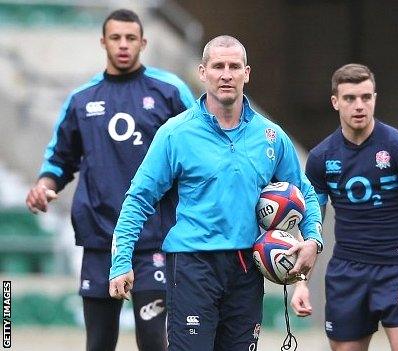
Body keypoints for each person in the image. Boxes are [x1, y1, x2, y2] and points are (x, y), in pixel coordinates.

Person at [108, 35, 323, 351]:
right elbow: (139, 198)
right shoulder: (175, 133)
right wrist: (121, 260)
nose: (226, 74)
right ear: (202, 72)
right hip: (193, 265)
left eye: (234, 66)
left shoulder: (271, 136)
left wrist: (313, 241)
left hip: (248, 267)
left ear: (246, 73)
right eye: (218, 66)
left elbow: (304, 192)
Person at [24, 8, 194, 351]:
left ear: (143, 42)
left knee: (154, 341)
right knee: (99, 343)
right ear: (103, 41)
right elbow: (60, 159)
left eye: (131, 38)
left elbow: (199, 150)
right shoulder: (81, 100)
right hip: (101, 238)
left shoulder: (171, 91)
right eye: (115, 38)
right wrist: (45, 186)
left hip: (154, 241)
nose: (123, 45)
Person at [291, 63, 398, 351]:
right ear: (335, 102)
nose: (359, 105)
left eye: (366, 97)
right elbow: (311, 227)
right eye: (350, 98)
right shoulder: (321, 158)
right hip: (347, 272)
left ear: (374, 99)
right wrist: (301, 283)